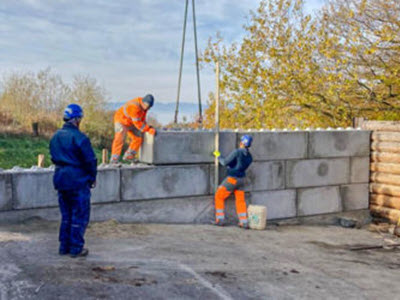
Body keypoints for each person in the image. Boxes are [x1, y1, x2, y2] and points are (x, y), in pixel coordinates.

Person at [50, 104, 97, 258]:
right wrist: (92, 177)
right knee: (80, 215)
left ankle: (64, 247)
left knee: (66, 215)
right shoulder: (80, 138)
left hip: (61, 179)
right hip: (77, 180)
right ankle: (76, 248)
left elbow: (53, 157)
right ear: (77, 119)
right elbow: (90, 160)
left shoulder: (55, 136)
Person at [213, 135, 253, 229]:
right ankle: (243, 222)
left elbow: (224, 162)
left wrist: (218, 156)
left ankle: (220, 219)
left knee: (219, 196)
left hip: (232, 179)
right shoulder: (250, 157)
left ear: (242, 143)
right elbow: (239, 165)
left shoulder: (237, 152)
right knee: (240, 201)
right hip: (242, 180)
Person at [110, 94, 156, 164]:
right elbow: (138, 124)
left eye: (149, 107)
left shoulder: (144, 107)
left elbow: (142, 119)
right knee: (119, 138)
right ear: (143, 103)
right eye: (147, 106)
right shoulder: (134, 106)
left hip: (131, 122)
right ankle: (114, 159)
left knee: (138, 138)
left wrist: (147, 127)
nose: (148, 108)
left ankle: (129, 155)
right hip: (121, 120)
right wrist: (148, 129)